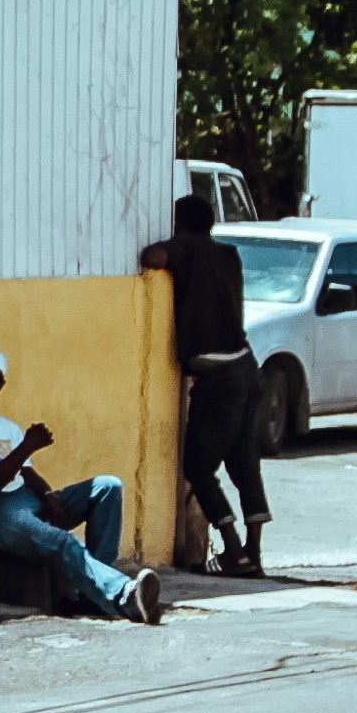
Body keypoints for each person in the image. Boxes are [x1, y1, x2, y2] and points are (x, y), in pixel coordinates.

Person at [0, 345, 159, 622]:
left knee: (107, 487)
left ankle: (91, 596)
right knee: (61, 542)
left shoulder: (7, 427)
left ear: (1, 386)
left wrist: (49, 495)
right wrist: (26, 447)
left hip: (25, 501)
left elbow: (27, 475)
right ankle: (124, 594)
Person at [149, 188, 267, 578]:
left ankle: (233, 549)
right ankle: (254, 552)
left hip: (217, 377)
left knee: (199, 466)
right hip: (247, 368)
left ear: (180, 223)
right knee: (245, 462)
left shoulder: (189, 247)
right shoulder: (228, 255)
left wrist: (170, 240)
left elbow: (153, 257)